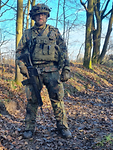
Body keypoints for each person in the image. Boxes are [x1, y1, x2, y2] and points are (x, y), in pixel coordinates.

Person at [16, 3, 72, 139]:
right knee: (32, 101)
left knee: (57, 99)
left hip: (52, 71)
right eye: (37, 14)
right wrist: (23, 68)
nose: (40, 16)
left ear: (47, 16)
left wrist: (66, 68)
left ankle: (63, 127)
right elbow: (19, 52)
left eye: (43, 14)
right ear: (34, 16)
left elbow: (63, 51)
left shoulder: (54, 32)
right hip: (34, 71)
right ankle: (29, 128)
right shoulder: (27, 33)